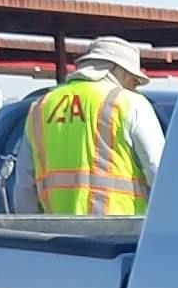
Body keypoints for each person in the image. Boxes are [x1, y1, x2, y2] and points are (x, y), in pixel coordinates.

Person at [10, 36, 165, 216]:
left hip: (57, 235)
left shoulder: (41, 106)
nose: (135, 86)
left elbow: (24, 187)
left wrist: (31, 234)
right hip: (121, 232)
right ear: (116, 70)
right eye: (134, 79)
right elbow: (158, 170)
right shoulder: (129, 103)